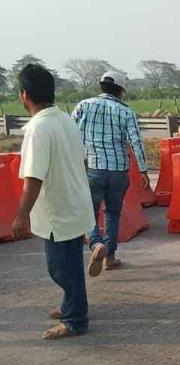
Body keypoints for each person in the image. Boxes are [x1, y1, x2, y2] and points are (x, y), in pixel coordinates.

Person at [12, 64, 96, 340]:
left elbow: (34, 176)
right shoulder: (63, 120)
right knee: (67, 264)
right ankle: (70, 306)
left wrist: (22, 215)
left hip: (59, 211)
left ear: (24, 95)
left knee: (62, 267)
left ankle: (76, 320)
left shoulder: (39, 128)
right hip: (73, 204)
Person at [71, 71, 150, 272]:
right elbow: (137, 143)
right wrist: (143, 171)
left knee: (88, 212)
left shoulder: (83, 106)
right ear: (121, 90)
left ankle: (96, 243)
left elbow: (71, 135)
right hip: (118, 171)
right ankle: (110, 257)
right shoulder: (126, 112)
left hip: (92, 168)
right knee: (113, 213)